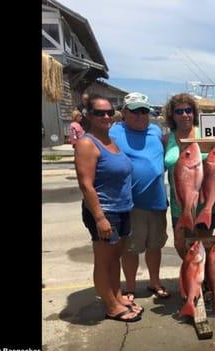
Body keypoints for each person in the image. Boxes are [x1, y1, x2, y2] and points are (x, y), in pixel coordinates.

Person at [74, 94, 143, 322]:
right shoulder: (87, 143)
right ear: (88, 115)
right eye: (99, 113)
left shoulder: (109, 140)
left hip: (122, 209)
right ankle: (111, 306)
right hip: (105, 211)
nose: (105, 116)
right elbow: (86, 184)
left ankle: (117, 296)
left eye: (109, 112)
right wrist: (100, 218)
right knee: (104, 260)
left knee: (115, 257)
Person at [110, 92, 170, 300]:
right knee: (131, 249)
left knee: (155, 246)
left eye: (144, 111)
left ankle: (154, 282)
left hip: (158, 201)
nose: (140, 115)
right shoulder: (115, 132)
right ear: (124, 112)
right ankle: (131, 287)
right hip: (131, 204)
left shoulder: (155, 131)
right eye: (135, 111)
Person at [163, 93, 215, 259]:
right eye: (179, 111)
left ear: (194, 112)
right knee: (181, 243)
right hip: (181, 202)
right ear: (172, 115)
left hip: (208, 200)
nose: (184, 115)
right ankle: (192, 274)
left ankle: (204, 280)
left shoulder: (208, 133)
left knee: (204, 242)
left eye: (188, 110)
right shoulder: (166, 139)